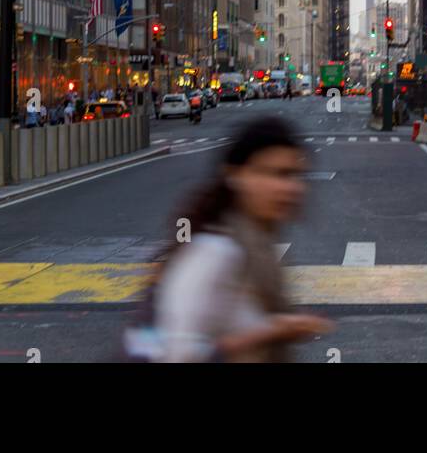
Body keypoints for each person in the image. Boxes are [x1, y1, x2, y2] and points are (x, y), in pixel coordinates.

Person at [125, 118, 327, 363]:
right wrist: (274, 331)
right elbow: (178, 354)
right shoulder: (216, 251)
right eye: (274, 173)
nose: (289, 187)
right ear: (234, 175)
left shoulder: (259, 245)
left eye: (295, 175)